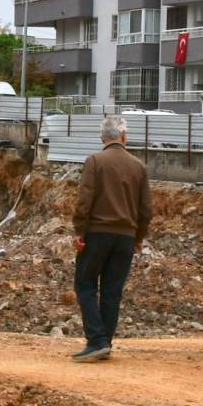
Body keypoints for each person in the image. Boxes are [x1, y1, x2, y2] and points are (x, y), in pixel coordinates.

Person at [70, 114, 154, 362]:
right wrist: (138, 237)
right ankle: (105, 341)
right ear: (124, 136)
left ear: (102, 138)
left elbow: (84, 199)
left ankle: (96, 340)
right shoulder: (139, 166)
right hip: (126, 238)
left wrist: (79, 231)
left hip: (97, 234)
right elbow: (146, 210)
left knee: (85, 284)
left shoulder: (95, 160)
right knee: (112, 290)